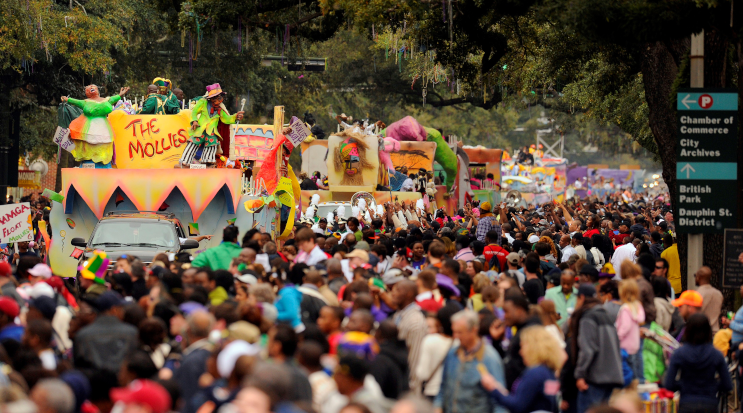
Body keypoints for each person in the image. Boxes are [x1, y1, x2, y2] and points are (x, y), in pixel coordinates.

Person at [434, 310, 507, 413]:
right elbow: (443, 388)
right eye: (454, 331)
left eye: (460, 332)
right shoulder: (452, 354)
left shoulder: (490, 359)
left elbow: (499, 402)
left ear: (473, 330)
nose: (455, 336)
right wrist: (437, 407)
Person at [480, 326, 564, 413]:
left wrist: (493, 389)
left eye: (522, 346)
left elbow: (518, 406)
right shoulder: (549, 373)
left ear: (532, 348)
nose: (521, 352)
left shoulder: (535, 373)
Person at [571, 283, 623, 412]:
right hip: (611, 376)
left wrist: (580, 374)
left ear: (582, 298)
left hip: (595, 378)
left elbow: (588, 349)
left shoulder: (588, 317)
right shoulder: (606, 316)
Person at [665, 313, 732, 412]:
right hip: (709, 404)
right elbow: (727, 385)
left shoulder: (679, 354)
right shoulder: (716, 355)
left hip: (687, 403)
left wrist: (682, 386)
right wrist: (713, 387)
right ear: (708, 331)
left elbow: (669, 384)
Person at [61, 84, 130, 167]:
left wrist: (121, 94)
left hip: (105, 130)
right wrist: (66, 99)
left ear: (98, 90)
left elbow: (114, 98)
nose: (91, 87)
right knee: (89, 148)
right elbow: (74, 101)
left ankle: (104, 166)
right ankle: (88, 164)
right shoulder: (85, 102)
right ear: (86, 93)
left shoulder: (106, 100)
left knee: (104, 148)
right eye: (88, 87)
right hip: (88, 131)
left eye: (93, 86)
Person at [179, 83, 244, 166]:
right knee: (193, 142)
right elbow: (194, 112)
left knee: (212, 143)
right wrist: (194, 121)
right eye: (215, 99)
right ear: (211, 98)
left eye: (219, 98)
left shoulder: (220, 109)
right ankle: (185, 160)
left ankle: (207, 162)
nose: (217, 101)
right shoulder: (203, 102)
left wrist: (235, 117)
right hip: (200, 129)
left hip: (211, 131)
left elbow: (226, 119)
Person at [73, 291, 138, 373]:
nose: (123, 312)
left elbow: (77, 367)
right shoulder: (131, 333)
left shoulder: (82, 335)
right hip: (121, 382)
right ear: (114, 310)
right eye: (121, 309)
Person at [392, 280, 428, 389]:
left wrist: (412, 388)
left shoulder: (415, 322)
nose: (393, 293)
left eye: (397, 290)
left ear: (409, 294)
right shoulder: (398, 314)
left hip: (407, 386)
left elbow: (415, 359)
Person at [502, 289, 541, 389]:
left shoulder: (532, 332)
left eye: (507, 312)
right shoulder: (521, 330)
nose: (504, 316)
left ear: (519, 311)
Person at [416, 305, 457, 399]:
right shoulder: (459, 343)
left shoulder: (430, 340)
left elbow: (422, 373)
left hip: (432, 392)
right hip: (453, 394)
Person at [268, 324, 313, 403]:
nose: (267, 344)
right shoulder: (302, 374)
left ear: (277, 347)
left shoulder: (270, 375)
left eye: (270, 340)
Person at [615, 279, 645, 384]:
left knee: (627, 374)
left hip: (624, 346)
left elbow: (625, 327)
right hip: (634, 345)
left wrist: (617, 337)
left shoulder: (625, 309)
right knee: (635, 370)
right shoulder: (638, 306)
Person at [694, 266, 723, 333]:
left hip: (701, 333)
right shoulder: (718, 294)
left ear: (698, 277)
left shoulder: (697, 294)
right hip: (716, 333)